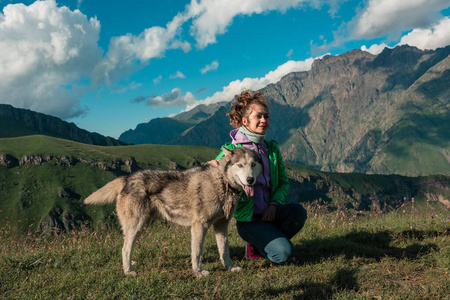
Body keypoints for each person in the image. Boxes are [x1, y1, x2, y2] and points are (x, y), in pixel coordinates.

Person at [211, 90, 307, 263]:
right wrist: (212, 165)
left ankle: (267, 240)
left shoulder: (271, 149)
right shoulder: (232, 150)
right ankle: (256, 243)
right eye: (259, 116)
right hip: (249, 219)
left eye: (266, 116)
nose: (264, 120)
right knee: (284, 254)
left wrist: (274, 205)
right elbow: (217, 168)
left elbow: (284, 182)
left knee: (297, 211)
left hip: (271, 213)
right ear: (245, 121)